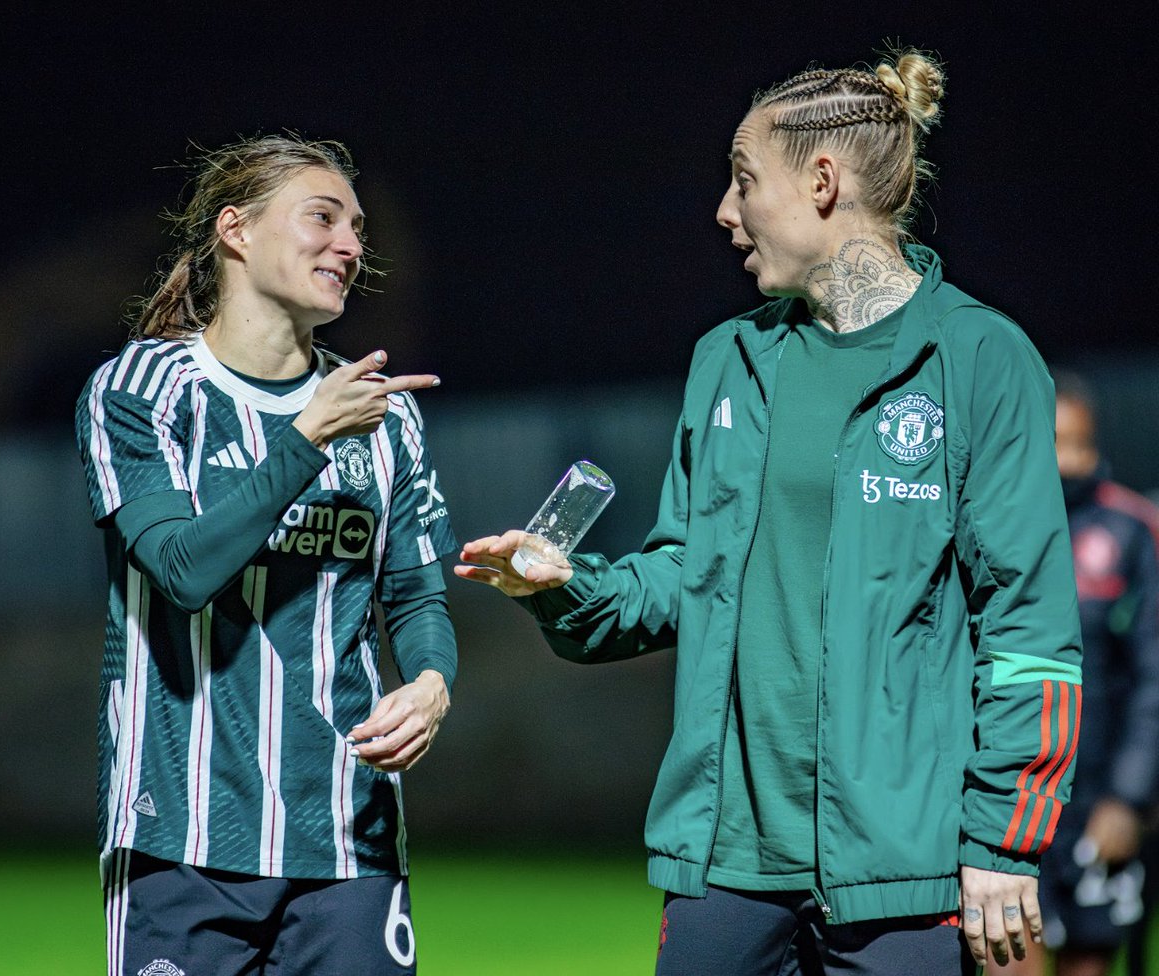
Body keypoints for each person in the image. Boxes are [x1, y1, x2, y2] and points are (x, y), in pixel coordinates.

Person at [456, 48, 1083, 975]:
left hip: (902, 870)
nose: (724, 211)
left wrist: (1003, 843)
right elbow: (687, 571)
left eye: (744, 180)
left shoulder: (982, 359)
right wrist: (567, 586)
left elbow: (1030, 627)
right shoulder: (726, 360)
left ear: (822, 183)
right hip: (725, 861)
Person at [75, 134, 457, 976]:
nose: (352, 246)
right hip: (181, 840)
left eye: (357, 227)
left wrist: (431, 685)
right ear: (236, 230)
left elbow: (418, 596)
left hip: (349, 844)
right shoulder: (142, 391)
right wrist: (307, 435)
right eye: (322, 217)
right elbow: (182, 571)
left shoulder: (387, 420)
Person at [989, 373, 1159, 976]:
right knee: (1009, 958)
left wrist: (1128, 797)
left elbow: (1151, 675)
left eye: (1080, 444)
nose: (1070, 460)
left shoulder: (1131, 531)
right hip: (1010, 802)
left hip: (1097, 801)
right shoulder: (992, 527)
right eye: (1054, 443)